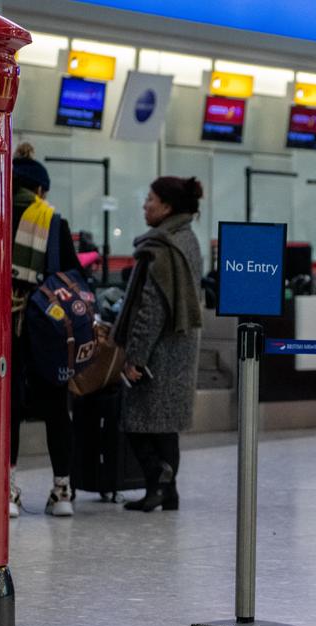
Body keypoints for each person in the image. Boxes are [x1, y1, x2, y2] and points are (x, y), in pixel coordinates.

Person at [120, 176, 205, 512]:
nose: (145, 205)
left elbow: (150, 309)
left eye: (151, 199)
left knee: (138, 424)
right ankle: (168, 492)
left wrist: (136, 358)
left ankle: (158, 484)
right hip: (180, 348)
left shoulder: (162, 247)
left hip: (158, 351)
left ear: (167, 207)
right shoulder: (187, 240)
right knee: (164, 426)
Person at [9, 143, 81, 519]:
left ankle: (8, 493)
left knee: (10, 407)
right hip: (47, 327)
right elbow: (70, 277)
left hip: (3, 325)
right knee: (56, 407)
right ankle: (62, 491)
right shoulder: (52, 221)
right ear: (40, 190)